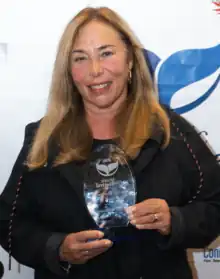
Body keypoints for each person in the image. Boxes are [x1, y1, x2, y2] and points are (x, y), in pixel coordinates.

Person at [0, 6, 220, 279]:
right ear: (69, 71)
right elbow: (9, 223)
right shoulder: (43, 138)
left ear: (129, 60)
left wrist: (174, 221)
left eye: (106, 53)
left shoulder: (171, 131)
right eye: (80, 58)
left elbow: (214, 206)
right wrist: (57, 249)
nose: (95, 70)